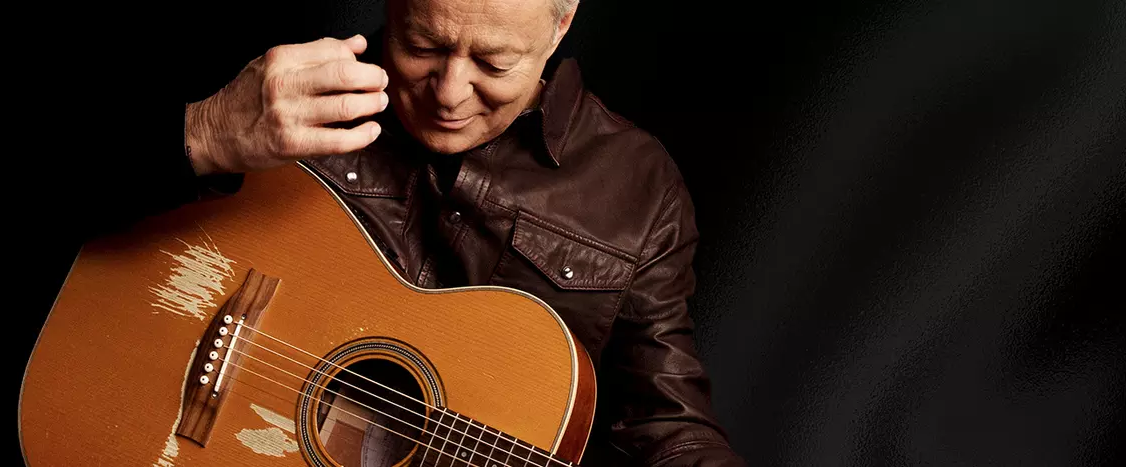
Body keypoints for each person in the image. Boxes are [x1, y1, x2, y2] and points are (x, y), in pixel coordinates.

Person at [182, 0, 745, 464]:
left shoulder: (641, 190)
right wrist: (202, 133)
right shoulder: (275, 91)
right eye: (422, 47)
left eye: (494, 64)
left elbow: (666, 422)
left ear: (562, 23)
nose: (448, 93)